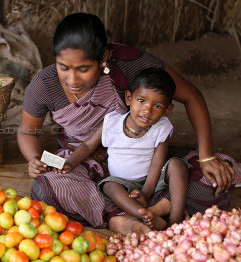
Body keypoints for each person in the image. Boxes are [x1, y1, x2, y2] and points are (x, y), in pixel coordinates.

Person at [17, 12, 237, 234]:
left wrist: (207, 156)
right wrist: (35, 159)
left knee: (216, 179)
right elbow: (27, 132)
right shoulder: (45, 84)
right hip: (82, 162)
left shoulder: (130, 64)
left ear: (103, 58)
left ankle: (149, 209)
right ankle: (126, 217)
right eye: (63, 67)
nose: (72, 80)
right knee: (46, 188)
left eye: (83, 69)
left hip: (143, 156)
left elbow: (191, 95)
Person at [57, 67, 187, 230]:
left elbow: (157, 163)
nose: (147, 110)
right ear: (128, 98)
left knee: (177, 165)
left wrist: (145, 193)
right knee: (108, 186)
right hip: (121, 183)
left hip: (151, 182)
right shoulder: (112, 122)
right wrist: (70, 162)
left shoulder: (162, 128)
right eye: (141, 101)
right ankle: (144, 214)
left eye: (158, 106)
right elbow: (88, 145)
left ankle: (176, 220)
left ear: (168, 110)